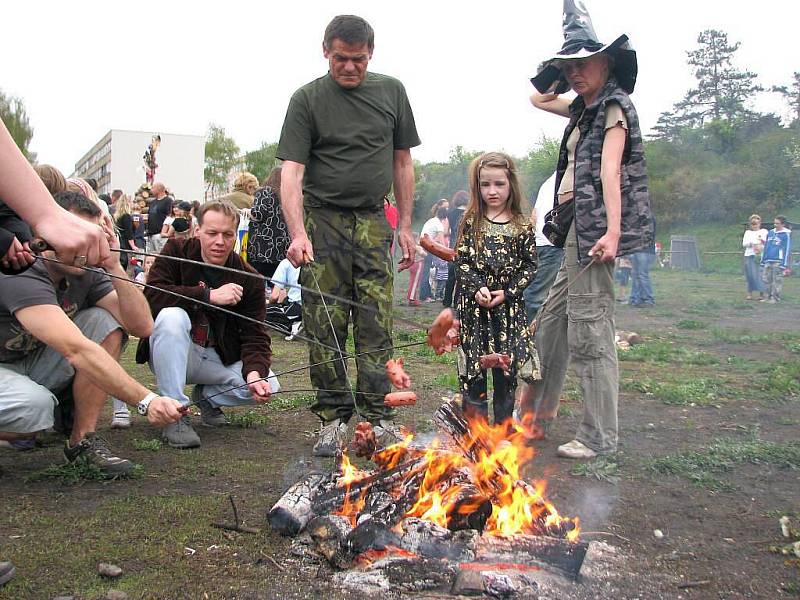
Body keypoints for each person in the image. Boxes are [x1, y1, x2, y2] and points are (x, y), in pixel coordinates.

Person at [277, 14, 420, 456]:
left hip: (375, 220)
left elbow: (402, 164)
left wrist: (407, 227)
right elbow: (292, 173)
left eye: (358, 59)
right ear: (326, 52)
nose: (350, 67)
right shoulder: (307, 100)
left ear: (370, 55)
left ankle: (379, 415)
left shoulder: (392, 92)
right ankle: (333, 418)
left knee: (377, 319)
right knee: (325, 322)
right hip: (323, 222)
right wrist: (298, 232)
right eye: (341, 58)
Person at [519, 0, 654, 459]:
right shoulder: (584, 109)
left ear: (607, 63)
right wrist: (561, 73)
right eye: (568, 66)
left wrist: (614, 232)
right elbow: (537, 98)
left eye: (583, 64)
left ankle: (599, 436)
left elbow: (611, 172)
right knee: (551, 325)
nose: (575, 73)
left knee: (590, 332)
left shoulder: (613, 106)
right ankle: (537, 420)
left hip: (596, 229)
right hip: (572, 230)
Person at [0, 191, 184, 475]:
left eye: (91, 236)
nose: (84, 247)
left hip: (28, 361)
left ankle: (81, 440)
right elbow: (76, 349)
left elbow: (142, 326)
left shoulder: (83, 267)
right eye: (77, 235)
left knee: (104, 322)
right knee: (34, 410)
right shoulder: (23, 268)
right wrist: (148, 401)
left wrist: (112, 264)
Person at [135, 201, 279, 449]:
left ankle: (207, 396)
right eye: (212, 233)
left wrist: (254, 373)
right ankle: (175, 412)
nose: (220, 242)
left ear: (236, 235)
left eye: (227, 234)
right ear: (197, 230)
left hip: (216, 357)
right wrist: (208, 295)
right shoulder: (176, 250)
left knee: (270, 383)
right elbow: (152, 296)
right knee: (171, 316)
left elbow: (255, 335)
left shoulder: (250, 279)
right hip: (175, 350)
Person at [455, 152, 538, 425]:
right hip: (475, 312)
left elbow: (530, 266)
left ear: (510, 184)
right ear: (477, 186)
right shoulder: (471, 222)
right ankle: (476, 434)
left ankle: (502, 432)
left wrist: (510, 291)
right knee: (474, 372)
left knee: (505, 372)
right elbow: (462, 262)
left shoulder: (522, 226)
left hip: (508, 312)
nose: (492, 191)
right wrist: (477, 287)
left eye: (499, 184)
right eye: (485, 184)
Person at [522, 173, 565, 322]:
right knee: (536, 296)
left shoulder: (548, 182)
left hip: (539, 243)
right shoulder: (568, 178)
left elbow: (534, 215)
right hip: (553, 245)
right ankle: (526, 338)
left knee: (534, 291)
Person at [247, 167, 290, 280]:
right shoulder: (287, 195)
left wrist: (247, 212)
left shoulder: (264, 191)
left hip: (263, 247)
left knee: (259, 281)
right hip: (282, 248)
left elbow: (259, 213)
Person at [266, 257, 303, 341]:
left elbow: (274, 296)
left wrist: (269, 303)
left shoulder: (286, 262)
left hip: (296, 307)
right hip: (316, 306)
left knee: (259, 311)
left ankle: (291, 327)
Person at [443, 191, 469, 308]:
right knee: (461, 277)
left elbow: (446, 231)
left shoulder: (450, 213)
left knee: (450, 277)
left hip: (452, 247)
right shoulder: (470, 213)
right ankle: (456, 302)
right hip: (466, 247)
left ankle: (446, 301)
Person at [419, 205, 448, 302]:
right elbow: (441, 241)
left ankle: (428, 294)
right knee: (426, 273)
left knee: (425, 272)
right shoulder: (439, 225)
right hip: (427, 248)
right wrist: (446, 253)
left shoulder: (431, 220)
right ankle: (424, 296)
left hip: (422, 246)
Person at [760, 215, 792, 303]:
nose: (775, 225)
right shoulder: (770, 232)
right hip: (768, 259)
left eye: (777, 223)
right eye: (774, 223)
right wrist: (763, 260)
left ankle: (775, 298)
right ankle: (766, 297)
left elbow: (787, 249)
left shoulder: (786, 235)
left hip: (778, 261)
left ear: (783, 224)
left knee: (777, 280)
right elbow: (766, 246)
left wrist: (784, 264)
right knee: (766, 279)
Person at [742, 214, 767, 300]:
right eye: (752, 223)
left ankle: (761, 294)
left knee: (760, 275)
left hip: (760, 256)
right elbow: (744, 243)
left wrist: (760, 246)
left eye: (756, 223)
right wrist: (753, 243)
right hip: (749, 255)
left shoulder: (764, 231)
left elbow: (766, 243)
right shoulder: (748, 232)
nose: (754, 225)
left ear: (759, 223)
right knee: (750, 275)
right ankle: (749, 293)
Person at [145, 182, 172, 253]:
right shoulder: (152, 202)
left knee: (161, 255)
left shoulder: (168, 201)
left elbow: (169, 217)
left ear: (159, 189)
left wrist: (165, 232)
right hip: (150, 234)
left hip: (160, 235)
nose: (151, 190)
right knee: (150, 256)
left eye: (153, 188)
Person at [406, 233, 426, 306]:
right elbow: (423, 254)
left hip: (412, 264)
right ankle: (412, 299)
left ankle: (411, 298)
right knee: (415, 283)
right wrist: (424, 252)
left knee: (412, 282)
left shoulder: (409, 246)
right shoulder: (417, 247)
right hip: (418, 264)